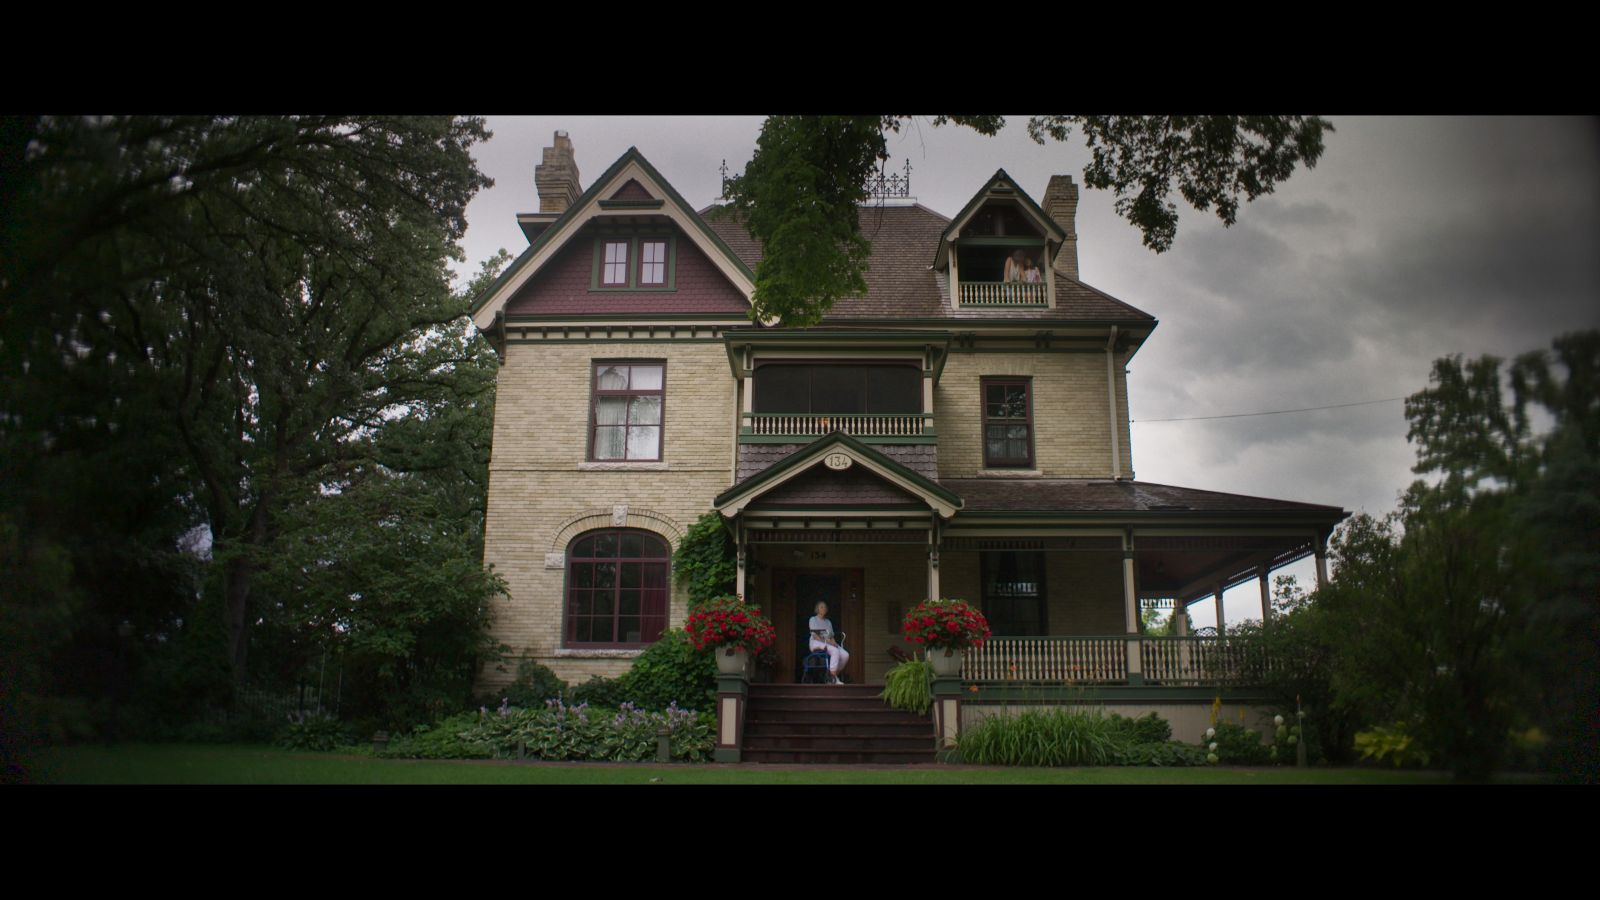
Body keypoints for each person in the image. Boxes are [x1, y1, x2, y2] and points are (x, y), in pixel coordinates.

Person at [808, 601, 850, 685]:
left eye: (825, 607)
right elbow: (815, 635)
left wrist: (834, 643)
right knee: (835, 651)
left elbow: (831, 636)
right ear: (817, 609)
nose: (823, 609)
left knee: (845, 655)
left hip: (829, 642)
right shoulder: (813, 619)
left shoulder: (828, 622)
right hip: (816, 642)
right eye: (821, 607)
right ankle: (834, 678)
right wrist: (829, 642)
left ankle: (832, 675)